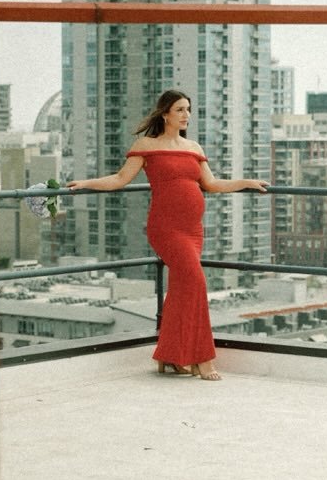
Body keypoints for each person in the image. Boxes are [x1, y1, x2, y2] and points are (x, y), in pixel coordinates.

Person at [68, 89, 268, 381]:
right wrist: (85, 183)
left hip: (193, 230)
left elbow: (211, 184)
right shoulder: (146, 144)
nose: (187, 115)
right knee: (196, 282)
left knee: (182, 289)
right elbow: (120, 178)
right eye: (180, 110)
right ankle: (202, 358)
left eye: (189, 109)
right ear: (165, 114)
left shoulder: (194, 147)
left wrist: (246, 182)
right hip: (166, 228)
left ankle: (170, 357)